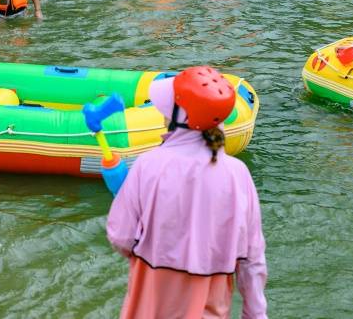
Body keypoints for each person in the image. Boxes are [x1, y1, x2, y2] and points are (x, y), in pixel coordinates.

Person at [107, 66, 267, 319]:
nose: (159, 113)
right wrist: (255, 314)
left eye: (163, 109)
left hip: (151, 306)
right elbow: (252, 259)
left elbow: (121, 237)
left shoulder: (149, 165)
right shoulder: (238, 174)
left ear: (180, 118)